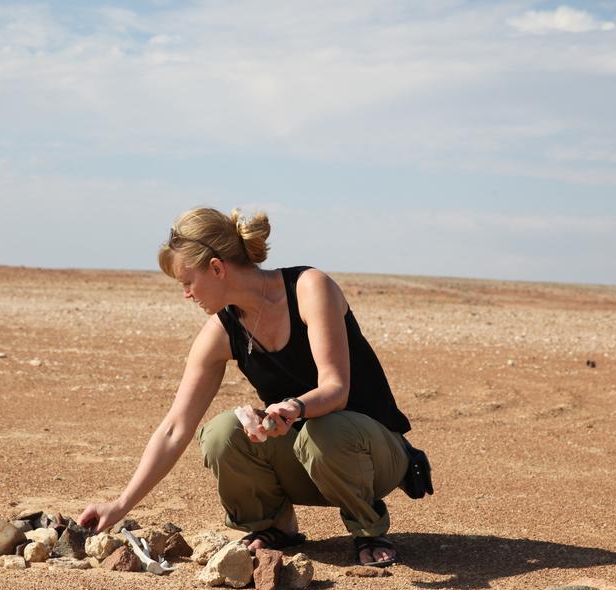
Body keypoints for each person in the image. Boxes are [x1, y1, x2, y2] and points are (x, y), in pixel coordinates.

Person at [77, 207, 413, 566]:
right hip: (309, 460)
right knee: (223, 433)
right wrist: (121, 502)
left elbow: (335, 389)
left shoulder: (309, 288)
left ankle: (367, 529)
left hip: (373, 456)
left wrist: (292, 408)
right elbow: (175, 427)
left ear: (217, 268)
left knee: (324, 429)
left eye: (187, 282)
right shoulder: (222, 332)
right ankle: (273, 526)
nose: (186, 294)